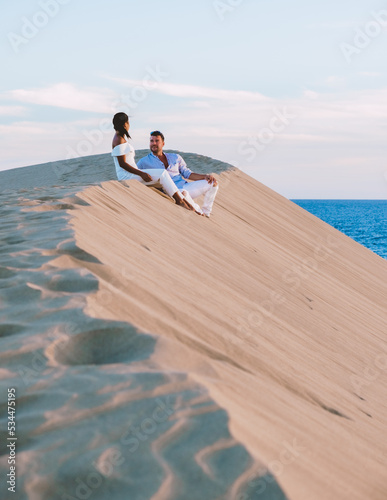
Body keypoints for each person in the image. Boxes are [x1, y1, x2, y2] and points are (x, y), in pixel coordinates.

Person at [111, 113, 199, 213]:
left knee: (162, 178)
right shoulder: (118, 139)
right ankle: (180, 201)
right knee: (162, 173)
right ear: (125, 124)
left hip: (132, 174)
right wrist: (141, 173)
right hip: (127, 176)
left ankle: (184, 200)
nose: (129, 125)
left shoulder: (121, 138)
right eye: (128, 122)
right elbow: (122, 163)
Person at [137, 131, 219, 217]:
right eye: (151, 141)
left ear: (163, 143)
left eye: (157, 141)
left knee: (213, 183)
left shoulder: (175, 157)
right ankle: (198, 210)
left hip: (186, 188)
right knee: (182, 193)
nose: (153, 143)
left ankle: (206, 211)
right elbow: (136, 176)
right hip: (171, 192)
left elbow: (188, 174)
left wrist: (205, 176)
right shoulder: (143, 162)